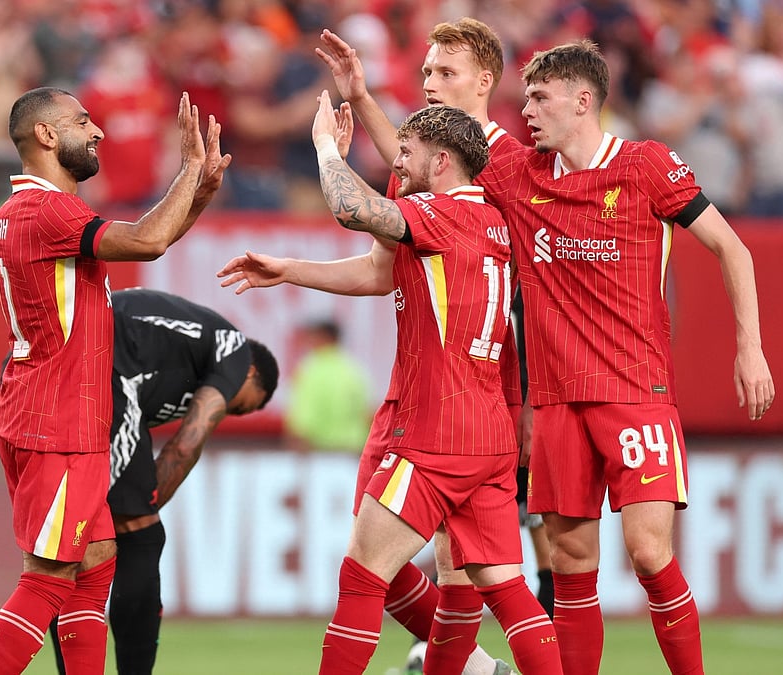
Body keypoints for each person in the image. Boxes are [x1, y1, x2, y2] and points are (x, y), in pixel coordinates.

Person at [226, 95, 561, 675]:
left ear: (442, 164)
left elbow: (351, 208)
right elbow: (379, 272)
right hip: (487, 432)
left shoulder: (440, 213)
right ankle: (482, 668)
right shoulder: (494, 225)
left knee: (361, 574)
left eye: (406, 153)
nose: (397, 165)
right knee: (507, 591)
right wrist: (291, 269)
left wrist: (327, 148)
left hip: (435, 428)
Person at [512, 41, 775, 675]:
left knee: (648, 551)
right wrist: (360, 103)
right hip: (556, 400)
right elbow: (438, 149)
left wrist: (751, 349)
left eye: (539, 98)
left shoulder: (646, 166)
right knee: (571, 564)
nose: (526, 111)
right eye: (524, 98)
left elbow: (732, 249)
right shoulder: (518, 176)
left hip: (635, 391)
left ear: (583, 101)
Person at [314, 19, 558, 670]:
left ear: (485, 80)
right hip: (414, 385)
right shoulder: (424, 162)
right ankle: (474, 666)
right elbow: (383, 255)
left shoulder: (511, 163)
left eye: (445, 73)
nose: (429, 83)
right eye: (425, 72)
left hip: (481, 390)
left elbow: (538, 284)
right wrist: (362, 97)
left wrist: (536, 399)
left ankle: (465, 665)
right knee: (432, 564)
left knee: (447, 566)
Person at [0, 86, 230, 675]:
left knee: (96, 562)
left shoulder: (34, 215)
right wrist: (188, 170)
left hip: (57, 416)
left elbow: (149, 239)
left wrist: (197, 196)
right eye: (83, 121)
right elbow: (147, 240)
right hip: (58, 422)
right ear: (45, 135)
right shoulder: (47, 210)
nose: (98, 133)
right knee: (50, 576)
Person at [48, 287, 279, 675]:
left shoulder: (173, 367)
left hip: (44, 372)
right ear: (251, 373)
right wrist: (142, 509)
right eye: (240, 406)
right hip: (102, 362)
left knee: (68, 548)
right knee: (141, 534)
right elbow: (185, 447)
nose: (227, 412)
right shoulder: (234, 351)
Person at [284, 318, 372, 452]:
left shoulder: (312, 370)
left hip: (321, 454)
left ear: (324, 338)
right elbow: (368, 415)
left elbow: (302, 422)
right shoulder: (354, 370)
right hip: (354, 453)